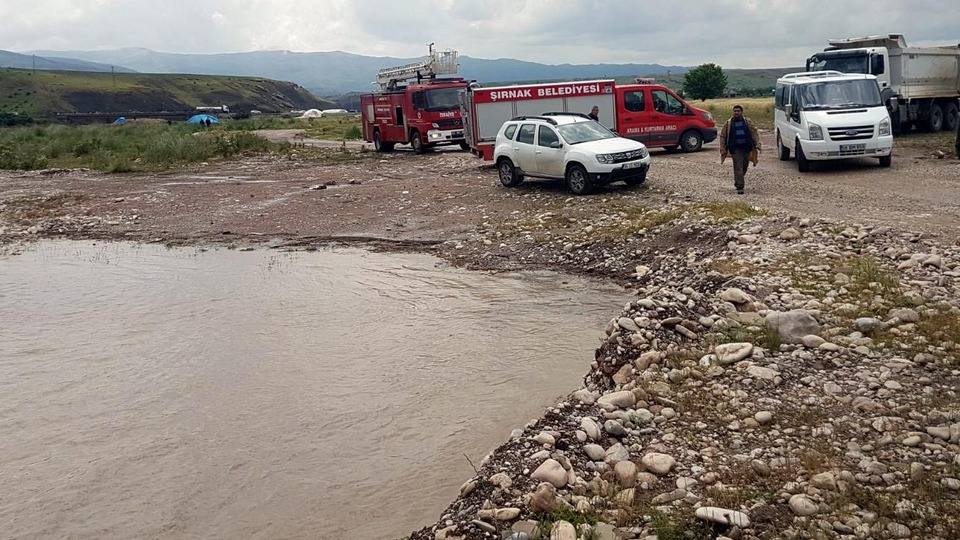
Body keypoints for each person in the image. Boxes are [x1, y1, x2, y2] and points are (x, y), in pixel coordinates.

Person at [719, 105, 761, 194]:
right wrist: (722, 148)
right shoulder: (729, 123)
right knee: (738, 167)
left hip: (746, 148)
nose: (736, 113)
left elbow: (754, 133)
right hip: (735, 149)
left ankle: (738, 181)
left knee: (744, 166)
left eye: (738, 111)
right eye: (735, 111)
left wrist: (758, 144)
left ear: (742, 112)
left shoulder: (747, 122)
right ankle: (740, 187)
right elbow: (723, 136)